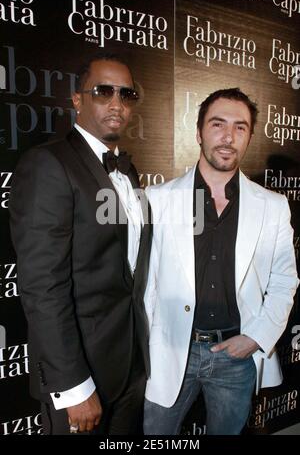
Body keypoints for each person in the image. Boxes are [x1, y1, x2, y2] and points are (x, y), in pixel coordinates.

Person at [9, 53, 152, 435]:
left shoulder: (128, 170)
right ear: (77, 100)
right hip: (82, 376)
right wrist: (73, 385)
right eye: (103, 91)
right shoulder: (49, 164)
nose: (117, 103)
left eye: (127, 94)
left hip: (131, 367)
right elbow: (42, 285)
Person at [143, 88, 299, 435]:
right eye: (218, 124)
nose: (228, 137)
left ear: (249, 137)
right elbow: (144, 285)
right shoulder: (158, 200)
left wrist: (256, 338)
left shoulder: (273, 206)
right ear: (199, 132)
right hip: (170, 353)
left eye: (240, 127)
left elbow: (284, 280)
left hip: (236, 356)